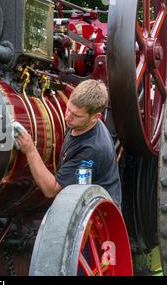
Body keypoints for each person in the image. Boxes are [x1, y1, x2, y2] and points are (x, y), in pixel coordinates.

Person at [15, 79, 121, 207]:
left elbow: (51, 190)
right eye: (68, 109)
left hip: (98, 214)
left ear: (95, 117)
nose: (67, 117)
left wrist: (30, 150)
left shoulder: (91, 150)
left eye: (76, 115)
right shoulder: (80, 123)